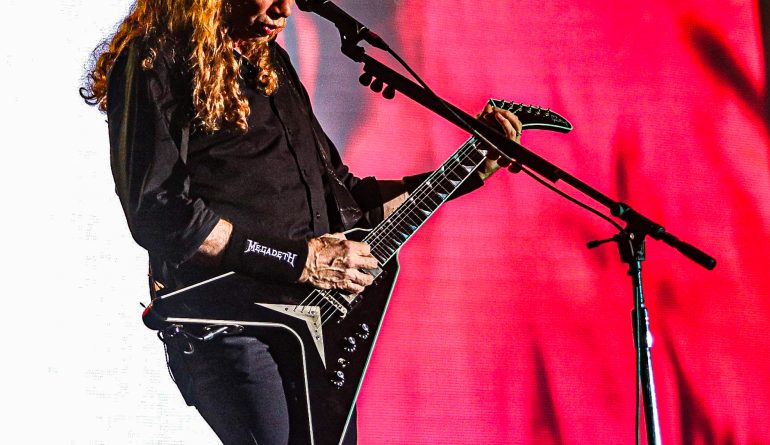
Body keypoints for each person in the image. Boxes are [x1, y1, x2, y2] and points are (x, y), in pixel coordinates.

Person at [81, 0, 522, 443]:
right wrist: (302, 261)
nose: (285, 9)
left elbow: (346, 198)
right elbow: (162, 213)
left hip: (310, 321)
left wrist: (465, 171)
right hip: (232, 323)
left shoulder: (270, 63)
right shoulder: (155, 57)